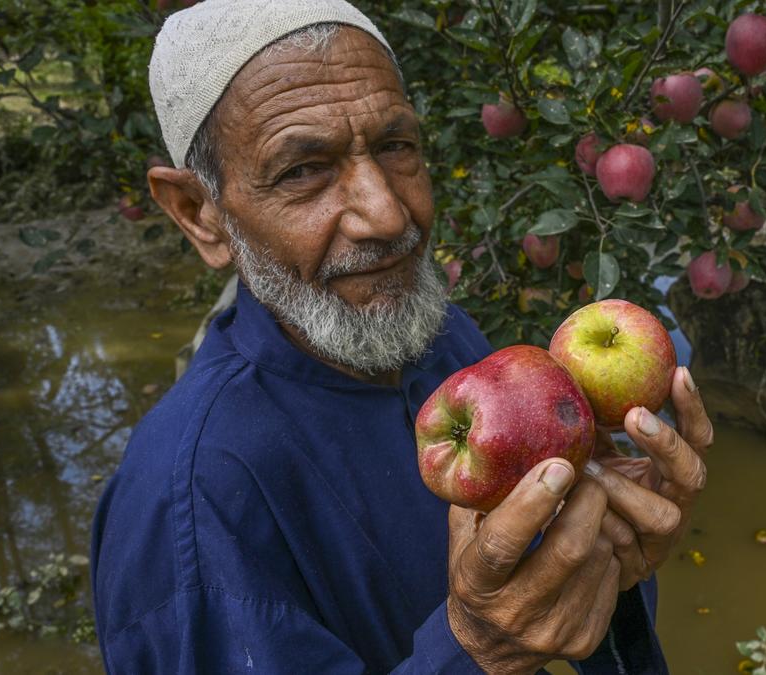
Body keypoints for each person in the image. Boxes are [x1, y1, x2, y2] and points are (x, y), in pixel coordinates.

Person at [90, 1, 712, 673]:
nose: (388, 215)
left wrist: (604, 550)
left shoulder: (443, 338)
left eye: (395, 147)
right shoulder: (185, 511)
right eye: (303, 170)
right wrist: (477, 650)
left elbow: (548, 602)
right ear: (199, 213)